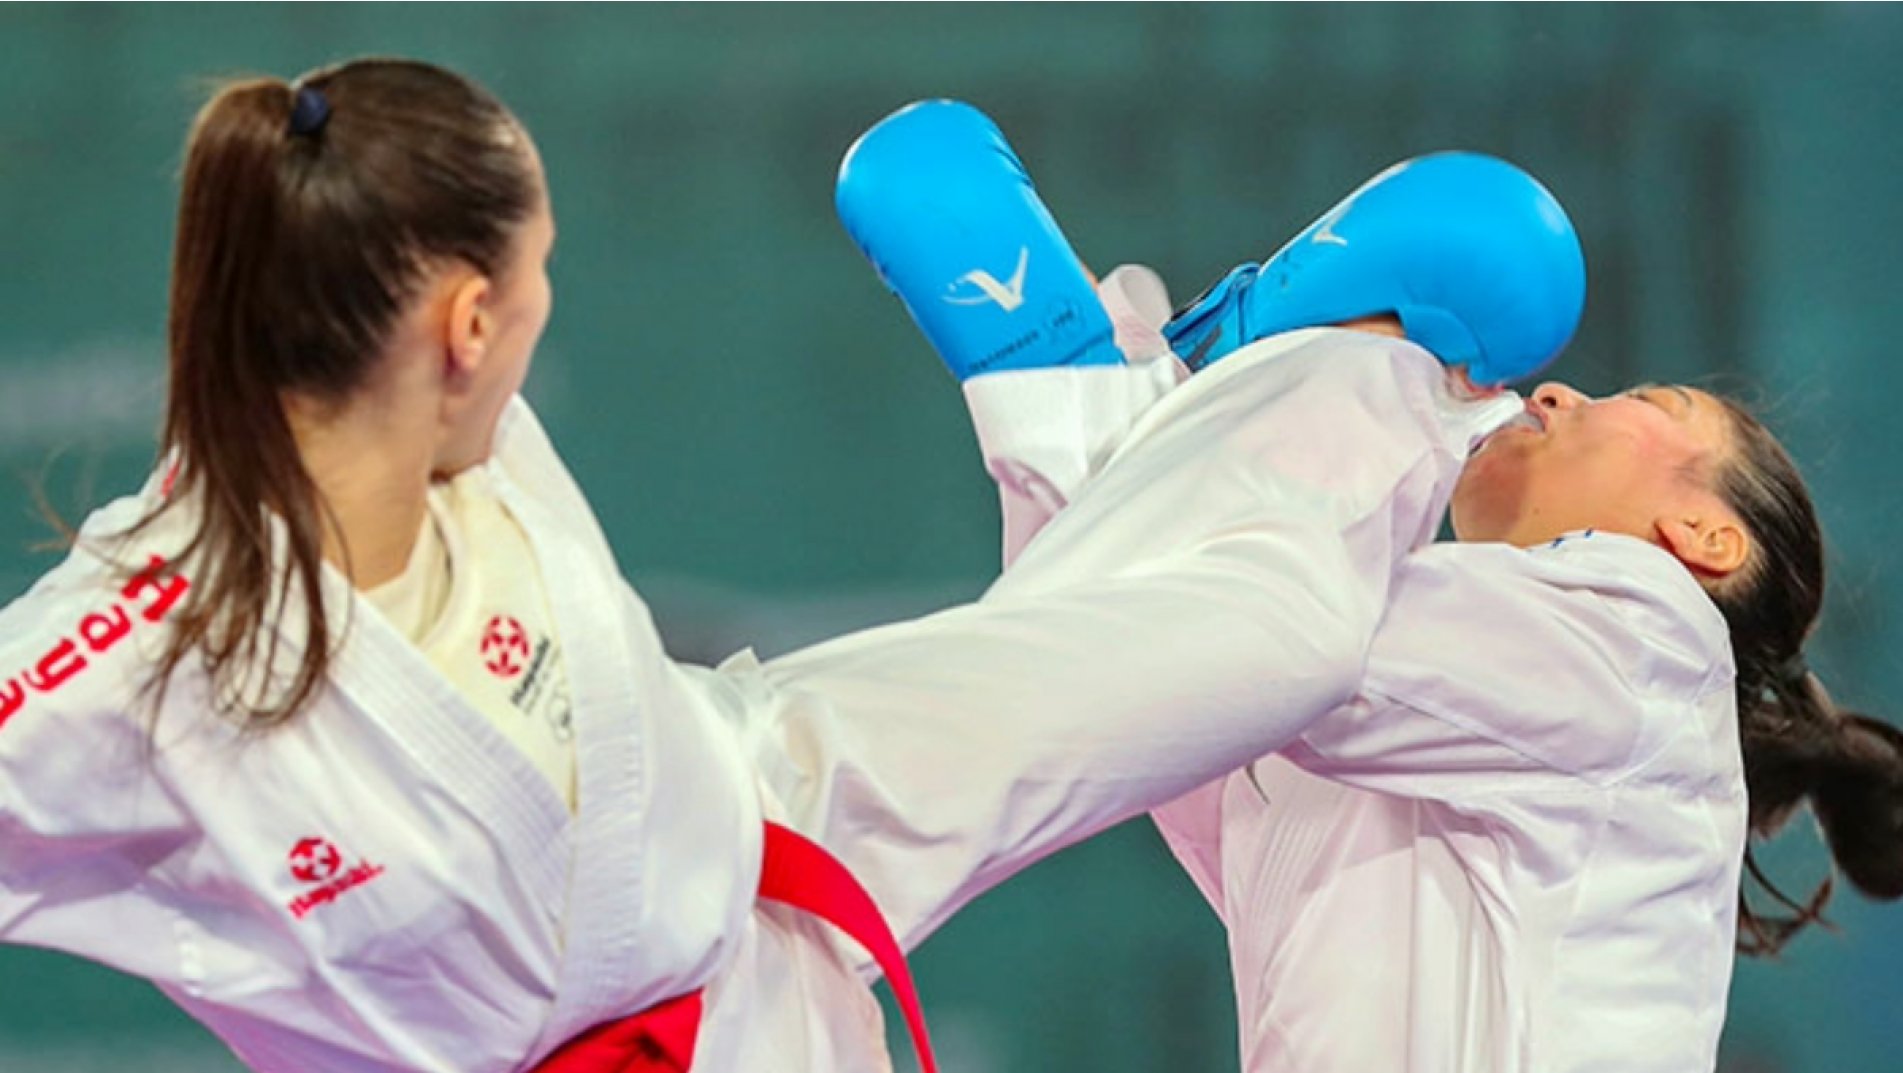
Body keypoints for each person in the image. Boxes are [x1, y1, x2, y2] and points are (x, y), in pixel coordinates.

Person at [0, 61, 1552, 1073]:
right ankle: (1123, 436)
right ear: (469, 327)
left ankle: (1126, 410)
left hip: (755, 785)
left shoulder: (439, 418)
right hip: (695, 1036)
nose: (542, 314)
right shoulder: (130, 656)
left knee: (1276, 630)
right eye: (539, 284)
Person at [950, 260, 1903, 1071]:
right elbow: (1136, 660)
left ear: (1702, 533)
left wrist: (1322, 372)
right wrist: (1066, 368)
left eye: (1644, 404)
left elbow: (1283, 627)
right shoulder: (1429, 701)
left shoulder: (1651, 639)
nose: (1558, 392)